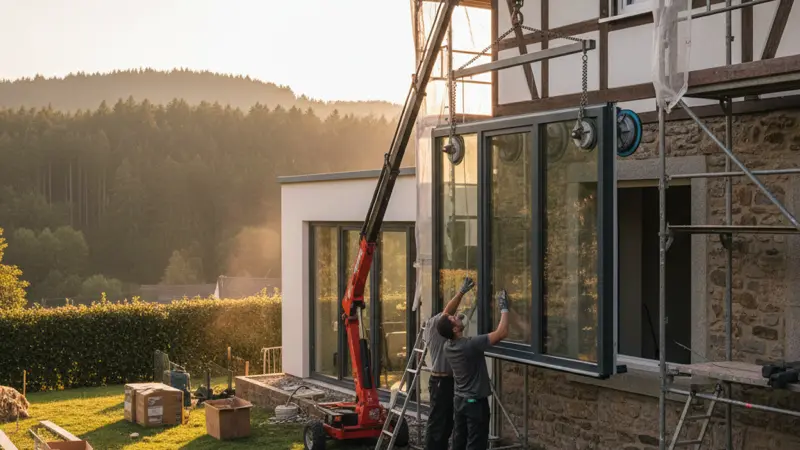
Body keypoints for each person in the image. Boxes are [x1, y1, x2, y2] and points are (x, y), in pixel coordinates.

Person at [437, 289, 510, 450]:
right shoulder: (469, 345)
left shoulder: (447, 346)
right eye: (453, 318)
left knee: (459, 441)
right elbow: (502, 332)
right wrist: (504, 308)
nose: (456, 316)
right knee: (475, 444)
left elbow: (444, 317)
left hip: (460, 401)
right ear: (455, 329)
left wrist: (461, 293)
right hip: (475, 404)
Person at [422, 276, 475, 450]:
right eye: (451, 318)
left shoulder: (443, 329)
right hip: (440, 382)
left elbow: (454, 320)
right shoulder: (436, 326)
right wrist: (461, 292)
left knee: (448, 423)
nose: (453, 316)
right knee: (438, 423)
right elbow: (447, 313)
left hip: (449, 381)